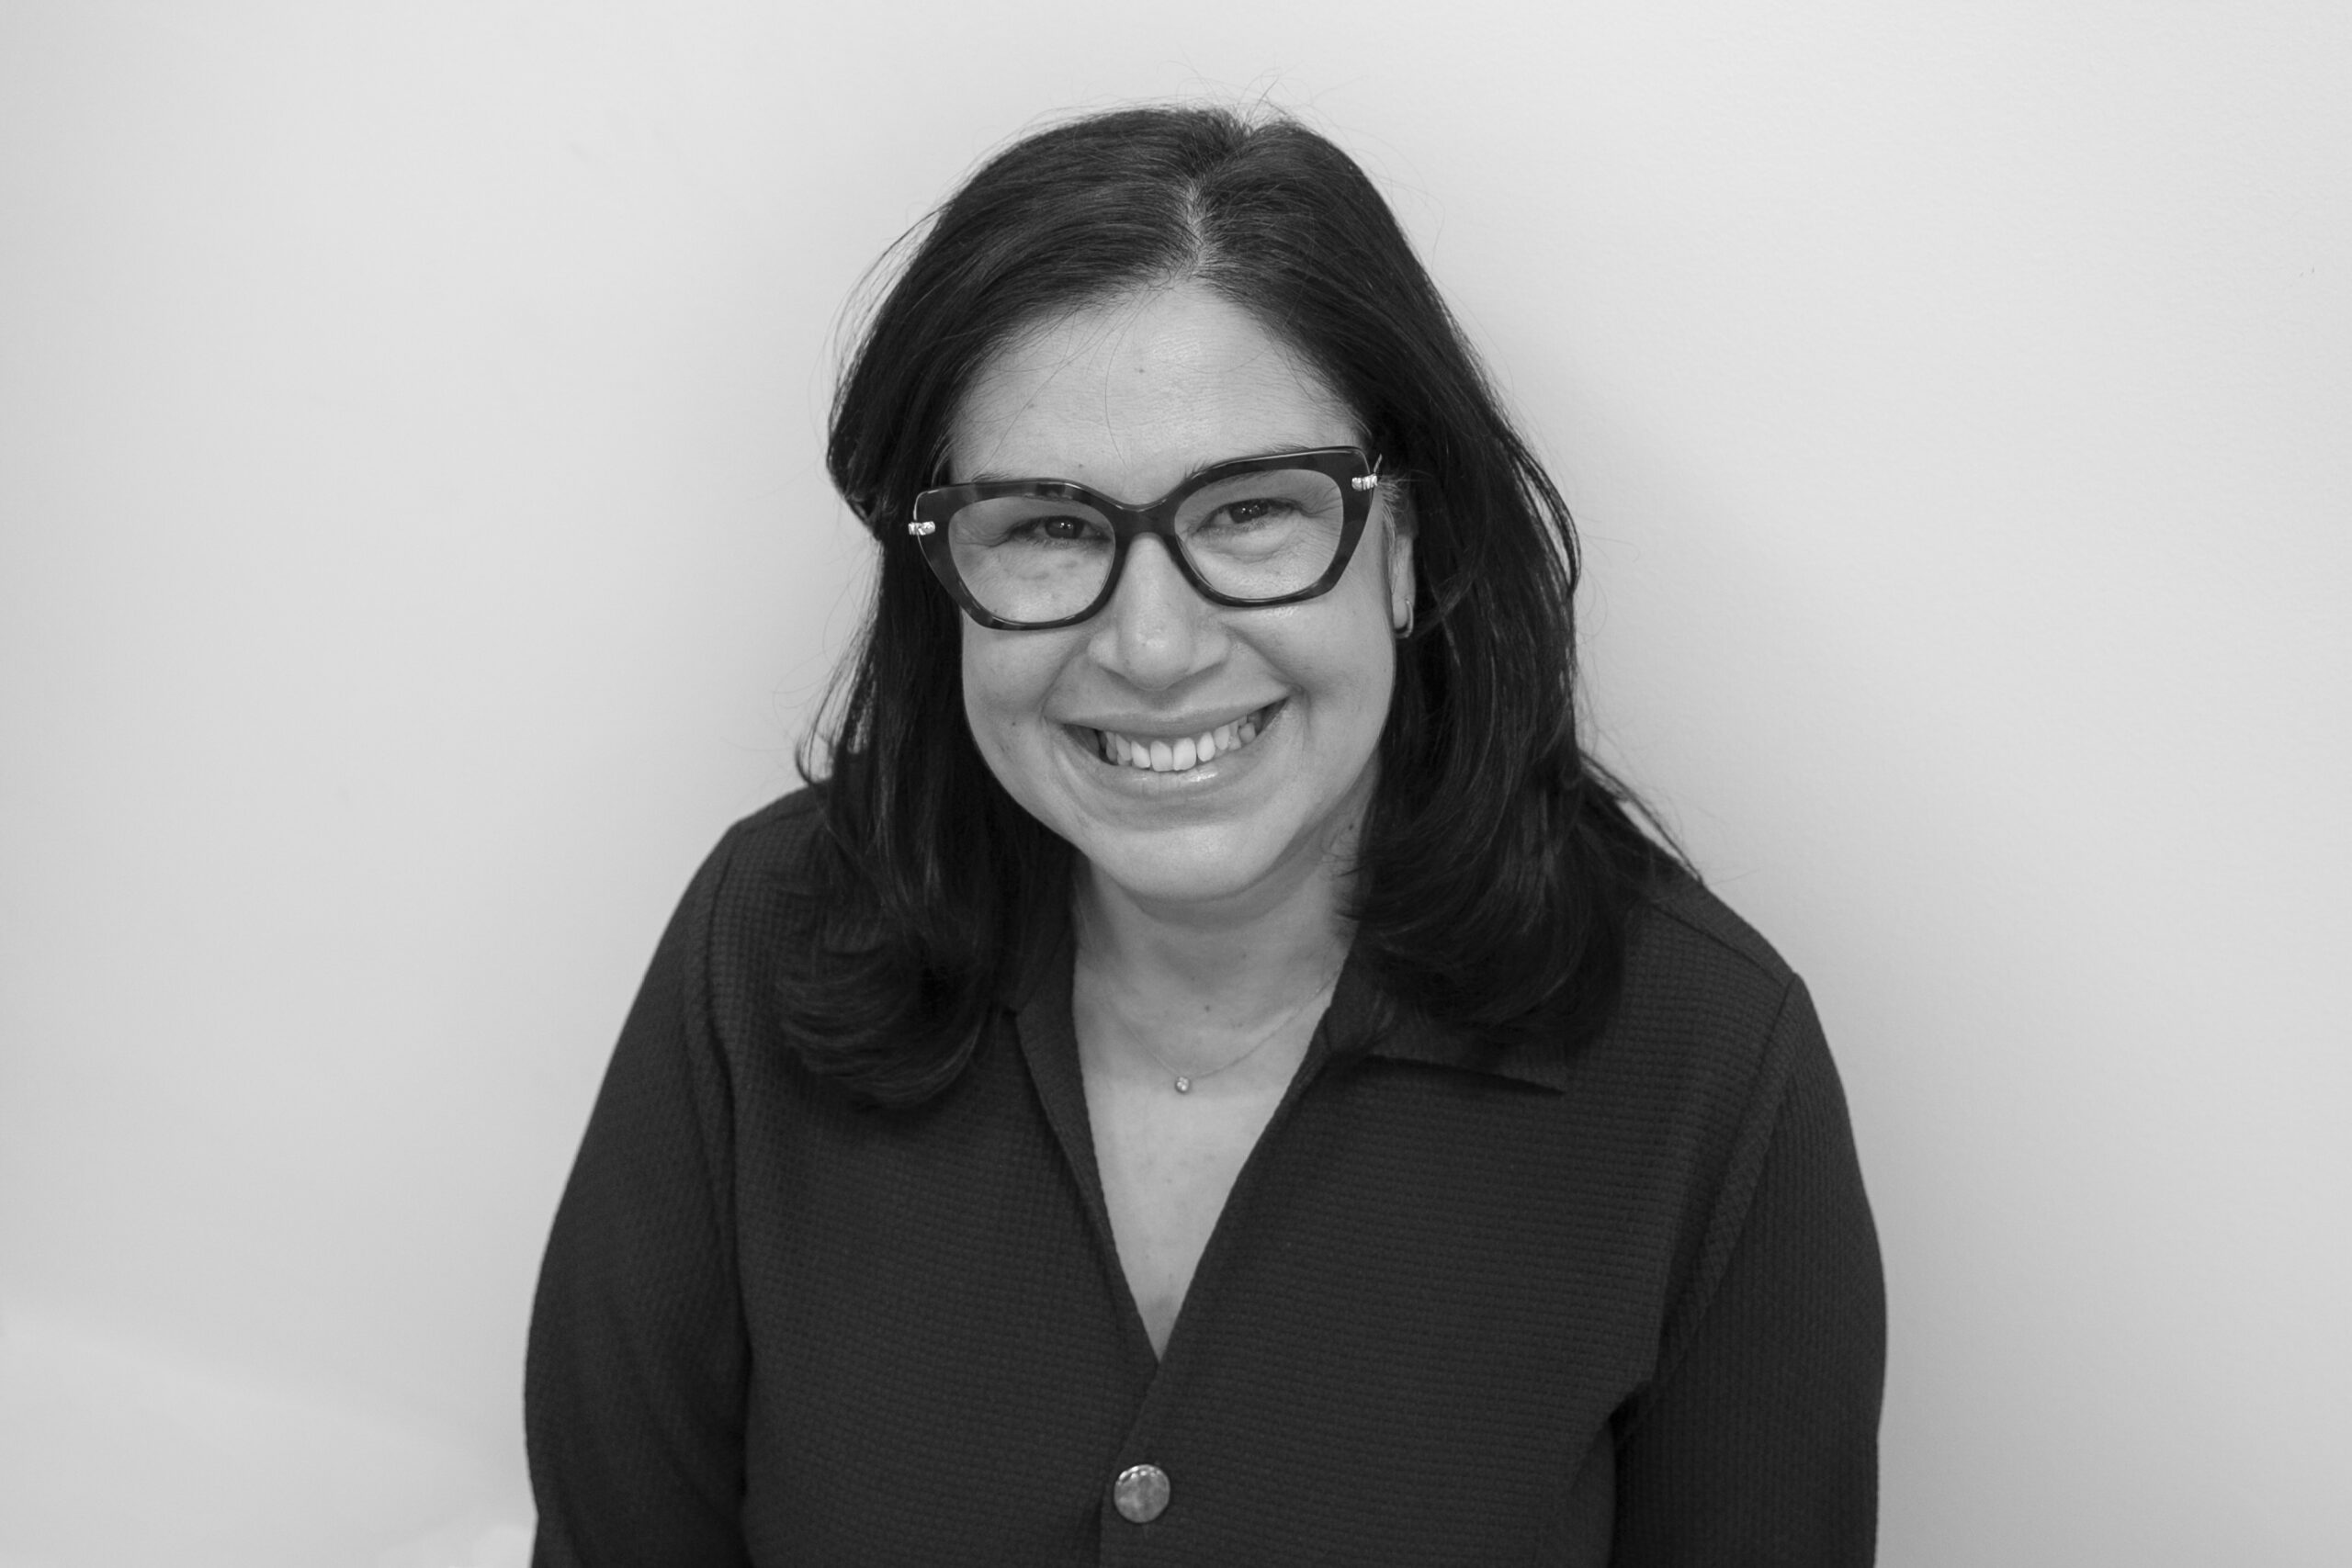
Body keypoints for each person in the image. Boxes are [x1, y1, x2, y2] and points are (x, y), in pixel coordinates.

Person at [525, 104, 1884, 1565]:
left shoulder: (1706, 1063)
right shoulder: (761, 943)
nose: (1154, 646)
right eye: (1047, 527)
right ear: (945, 573)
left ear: (1405, 546)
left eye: (1248, 514)